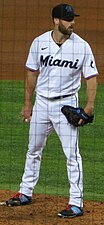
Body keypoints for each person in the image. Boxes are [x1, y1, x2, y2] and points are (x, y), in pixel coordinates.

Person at [6, 3, 98, 218]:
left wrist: (89, 106)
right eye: (67, 19)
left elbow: (92, 78)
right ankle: (25, 192)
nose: (72, 22)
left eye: (72, 19)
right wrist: (27, 104)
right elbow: (31, 74)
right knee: (33, 149)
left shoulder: (82, 46)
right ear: (56, 21)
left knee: (72, 155)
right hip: (41, 104)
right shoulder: (39, 42)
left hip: (66, 106)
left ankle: (76, 202)